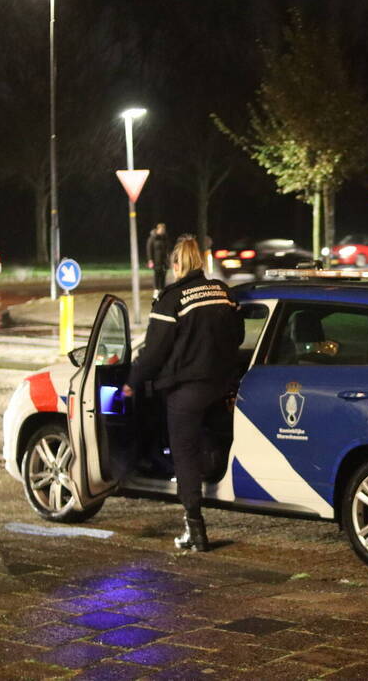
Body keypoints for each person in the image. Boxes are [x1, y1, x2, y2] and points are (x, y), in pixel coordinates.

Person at [123, 238, 244, 552]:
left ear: (176, 266)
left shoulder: (171, 299)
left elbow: (154, 352)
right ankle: (217, 479)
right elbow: (239, 333)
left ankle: (195, 529)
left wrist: (133, 382)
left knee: (184, 456)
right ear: (201, 262)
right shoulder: (222, 291)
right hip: (222, 385)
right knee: (214, 437)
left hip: (186, 391)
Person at [146, 223, 170, 298]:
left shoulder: (165, 238)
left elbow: (168, 248)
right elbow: (149, 249)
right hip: (156, 261)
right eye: (161, 229)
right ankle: (156, 290)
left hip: (164, 261)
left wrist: (168, 258)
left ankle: (162, 290)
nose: (163, 231)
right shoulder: (152, 238)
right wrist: (150, 260)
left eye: (164, 230)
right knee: (157, 275)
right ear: (158, 229)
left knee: (163, 275)